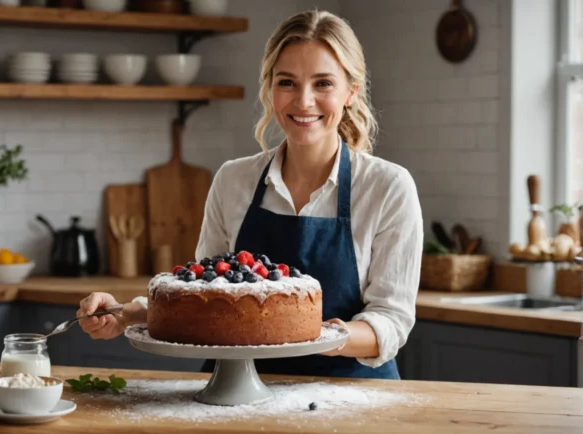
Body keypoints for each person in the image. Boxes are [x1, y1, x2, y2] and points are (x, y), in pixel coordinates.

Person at [77, 9, 423, 380]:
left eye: (323, 83)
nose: (303, 101)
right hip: (237, 388)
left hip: (351, 392)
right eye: (287, 82)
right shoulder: (233, 179)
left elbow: (390, 322)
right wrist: (124, 313)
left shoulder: (387, 187)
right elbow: (206, 298)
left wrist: (311, 334)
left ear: (351, 92)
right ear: (270, 88)